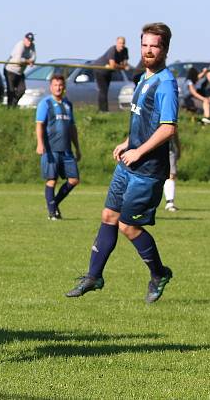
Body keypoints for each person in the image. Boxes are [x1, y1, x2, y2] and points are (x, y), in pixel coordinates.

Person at [66, 22, 177, 304]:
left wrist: (139, 152)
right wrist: (128, 142)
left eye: (155, 46)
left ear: (164, 49)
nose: (149, 50)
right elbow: (144, 120)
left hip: (148, 170)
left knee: (128, 226)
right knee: (108, 216)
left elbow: (167, 128)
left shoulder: (166, 83)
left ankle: (159, 273)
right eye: (145, 45)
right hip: (129, 164)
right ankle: (94, 276)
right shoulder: (144, 78)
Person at [35, 74, 81, 220]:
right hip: (51, 149)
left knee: (74, 179)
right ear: (51, 87)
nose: (58, 88)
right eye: (55, 85)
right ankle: (52, 212)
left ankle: (53, 204)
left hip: (67, 150)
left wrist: (77, 148)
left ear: (64, 87)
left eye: (60, 85)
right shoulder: (45, 103)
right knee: (52, 180)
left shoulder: (68, 104)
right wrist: (40, 143)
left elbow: (72, 127)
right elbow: (39, 124)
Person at [93, 36, 129, 112]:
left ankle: (103, 110)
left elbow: (125, 64)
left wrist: (118, 66)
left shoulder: (125, 50)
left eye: (123, 43)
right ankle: (103, 110)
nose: (121, 45)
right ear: (116, 43)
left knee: (105, 90)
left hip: (108, 72)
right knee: (103, 90)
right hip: (100, 69)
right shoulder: (112, 50)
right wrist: (121, 66)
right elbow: (114, 65)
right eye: (120, 43)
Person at [4, 32, 36, 107]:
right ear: (24, 39)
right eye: (28, 40)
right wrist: (28, 61)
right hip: (10, 70)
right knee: (11, 91)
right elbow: (18, 60)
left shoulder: (32, 46)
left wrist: (28, 61)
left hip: (20, 72)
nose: (29, 42)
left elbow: (34, 58)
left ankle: (13, 104)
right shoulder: (20, 45)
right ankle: (9, 108)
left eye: (31, 40)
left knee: (22, 90)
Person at [164, 134, 180, 212]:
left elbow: (175, 133)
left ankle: (169, 203)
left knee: (171, 175)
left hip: (170, 150)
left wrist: (178, 148)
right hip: (153, 149)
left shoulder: (172, 122)